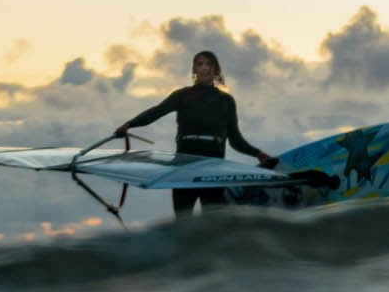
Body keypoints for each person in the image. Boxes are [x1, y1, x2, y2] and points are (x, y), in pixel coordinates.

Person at [115, 49, 278, 218]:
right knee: (183, 220)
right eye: (199, 64)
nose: (204, 67)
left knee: (212, 223)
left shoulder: (226, 100)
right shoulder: (182, 95)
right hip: (184, 165)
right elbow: (157, 111)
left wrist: (257, 153)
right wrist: (130, 124)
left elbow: (235, 139)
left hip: (213, 168)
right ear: (194, 70)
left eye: (209, 64)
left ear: (216, 70)